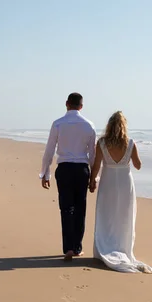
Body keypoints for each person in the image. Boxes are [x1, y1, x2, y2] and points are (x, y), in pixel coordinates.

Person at [89, 111, 152, 273]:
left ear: (109, 125)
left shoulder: (102, 143)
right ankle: (122, 247)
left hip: (108, 181)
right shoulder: (130, 143)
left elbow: (96, 165)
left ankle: (104, 247)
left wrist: (92, 181)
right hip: (125, 183)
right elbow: (138, 165)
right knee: (124, 215)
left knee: (107, 214)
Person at [40, 93, 96, 261]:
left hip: (64, 168)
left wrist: (45, 173)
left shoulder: (58, 124)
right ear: (81, 106)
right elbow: (93, 154)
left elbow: (49, 150)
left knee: (66, 208)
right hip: (81, 169)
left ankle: (68, 248)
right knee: (80, 209)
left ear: (67, 104)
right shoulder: (89, 125)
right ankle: (77, 247)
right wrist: (94, 177)